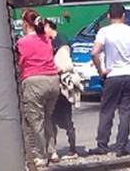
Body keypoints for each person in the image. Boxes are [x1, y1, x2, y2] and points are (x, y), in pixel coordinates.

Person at [89, 3, 130, 157]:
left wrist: (101, 70)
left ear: (108, 16)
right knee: (125, 112)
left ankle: (102, 145)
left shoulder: (104, 31)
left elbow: (94, 53)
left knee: (107, 111)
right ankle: (121, 147)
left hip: (112, 76)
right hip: (129, 75)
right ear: (124, 16)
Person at [17, 9, 60, 168]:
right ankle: (53, 151)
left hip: (34, 81)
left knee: (36, 121)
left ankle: (41, 156)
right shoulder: (46, 39)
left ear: (26, 24)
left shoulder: (23, 42)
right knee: (47, 117)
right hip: (53, 81)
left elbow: (21, 63)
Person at [45, 21, 80, 161]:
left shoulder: (61, 39)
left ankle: (73, 149)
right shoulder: (49, 41)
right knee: (52, 119)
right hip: (53, 85)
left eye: (45, 27)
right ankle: (53, 150)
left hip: (62, 84)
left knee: (66, 119)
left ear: (50, 27)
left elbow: (64, 56)